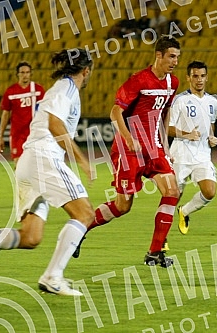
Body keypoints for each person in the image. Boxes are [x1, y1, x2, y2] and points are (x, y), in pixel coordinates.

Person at [0, 49, 95, 296]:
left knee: (30, 237)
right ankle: (53, 276)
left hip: (30, 161)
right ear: (86, 70)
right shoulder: (66, 87)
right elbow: (54, 123)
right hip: (44, 158)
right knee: (85, 213)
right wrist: (80, 159)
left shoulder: (61, 88)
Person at [74, 35, 181, 268]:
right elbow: (115, 112)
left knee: (172, 190)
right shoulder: (139, 81)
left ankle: (155, 252)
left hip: (154, 149)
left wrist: (165, 145)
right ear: (159, 55)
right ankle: (81, 228)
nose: (174, 61)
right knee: (123, 206)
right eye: (171, 56)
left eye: (177, 57)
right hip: (128, 151)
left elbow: (164, 114)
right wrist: (128, 138)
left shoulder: (173, 83)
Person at [168, 61, 217, 235]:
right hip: (181, 155)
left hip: (203, 155)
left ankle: (185, 211)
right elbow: (168, 128)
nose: (199, 80)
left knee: (210, 192)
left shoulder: (213, 102)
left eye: (202, 76)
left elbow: (210, 125)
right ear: (188, 77)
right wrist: (187, 134)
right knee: (172, 197)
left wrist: (212, 138)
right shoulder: (180, 100)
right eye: (195, 76)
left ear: (207, 77)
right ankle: (161, 239)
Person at [0, 61, 45, 166]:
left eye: (27, 72)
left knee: (35, 166)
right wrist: (0, 136)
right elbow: (5, 114)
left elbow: (44, 111)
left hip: (34, 133)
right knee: (19, 165)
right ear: (17, 74)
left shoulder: (38, 90)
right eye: (22, 72)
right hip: (17, 135)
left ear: (31, 74)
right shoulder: (11, 91)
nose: (25, 75)